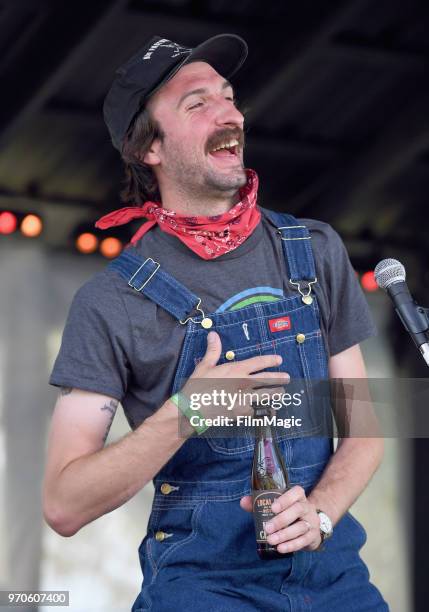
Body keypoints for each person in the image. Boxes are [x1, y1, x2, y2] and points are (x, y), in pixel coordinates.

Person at [43, 34, 389, 611]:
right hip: (203, 591)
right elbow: (63, 504)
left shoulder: (314, 251)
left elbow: (366, 427)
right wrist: (188, 412)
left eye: (228, 98)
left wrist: (322, 511)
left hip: (336, 584)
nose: (230, 114)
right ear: (148, 147)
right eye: (196, 104)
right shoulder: (111, 302)